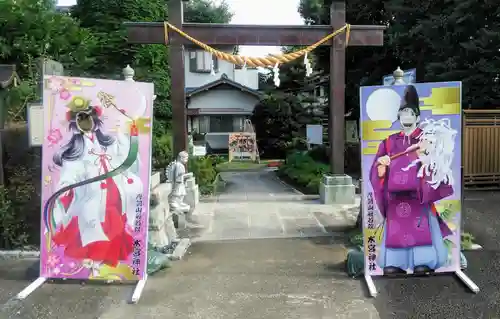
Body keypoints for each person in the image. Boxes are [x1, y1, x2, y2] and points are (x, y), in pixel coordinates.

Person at [50, 99, 143, 273]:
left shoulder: (107, 142)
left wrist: (126, 135)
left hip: (113, 188)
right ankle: (94, 261)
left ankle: (102, 261)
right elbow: (71, 170)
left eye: (87, 118)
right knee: (91, 222)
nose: (85, 122)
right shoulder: (76, 149)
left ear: (94, 120)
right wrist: (67, 184)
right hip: (91, 193)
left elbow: (123, 157)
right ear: (76, 125)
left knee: (113, 224)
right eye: (80, 119)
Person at [369, 85, 454, 275]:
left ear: (417, 117)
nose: (406, 117)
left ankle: (423, 262)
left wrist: (428, 154)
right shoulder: (389, 142)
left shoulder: (427, 139)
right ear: (398, 117)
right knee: (396, 232)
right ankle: (395, 263)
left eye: (410, 113)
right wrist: (381, 166)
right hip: (395, 199)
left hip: (418, 197)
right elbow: (375, 170)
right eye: (403, 113)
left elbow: (438, 164)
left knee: (420, 230)